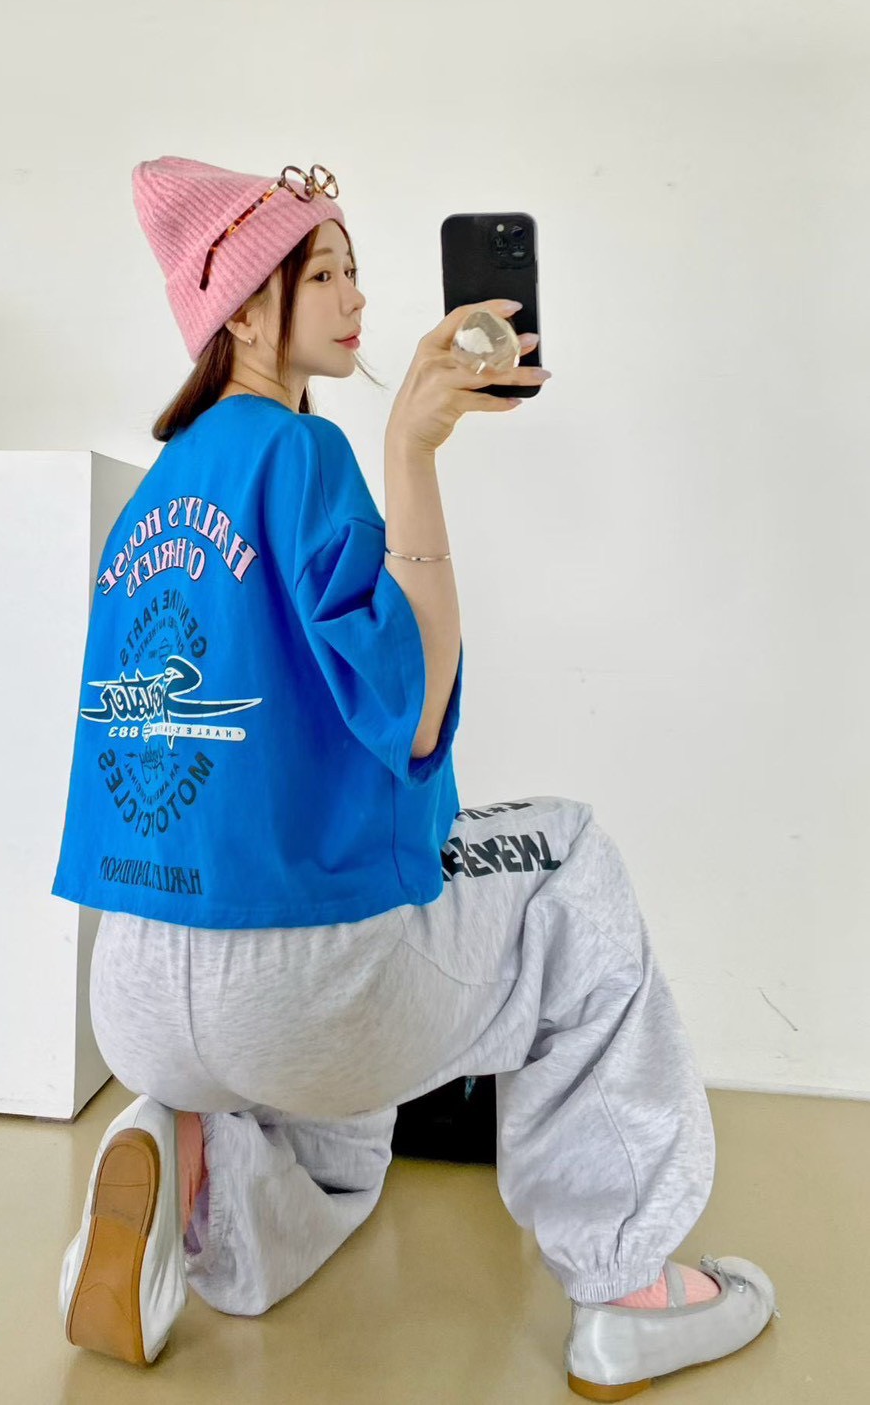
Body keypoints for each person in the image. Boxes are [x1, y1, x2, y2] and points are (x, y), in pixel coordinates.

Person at [51, 155, 779, 1398]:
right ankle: (625, 1289)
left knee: (348, 1147)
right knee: (568, 854)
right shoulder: (301, 454)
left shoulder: (153, 496)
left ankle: (193, 1169)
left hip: (132, 992)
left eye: (355, 273)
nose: (356, 300)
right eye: (324, 275)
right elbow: (415, 702)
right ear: (243, 311)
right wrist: (411, 448)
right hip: (296, 987)